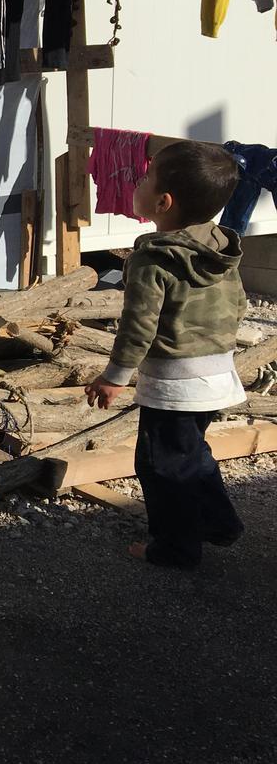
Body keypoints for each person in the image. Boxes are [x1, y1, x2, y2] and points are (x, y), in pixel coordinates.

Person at [85, 140, 247, 569]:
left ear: (162, 201)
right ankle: (218, 522)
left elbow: (139, 326)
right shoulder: (219, 247)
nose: (136, 182)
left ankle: (174, 548)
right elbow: (240, 304)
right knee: (191, 454)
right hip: (216, 376)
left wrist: (114, 377)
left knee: (161, 467)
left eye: (143, 177)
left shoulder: (153, 259)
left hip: (175, 385)